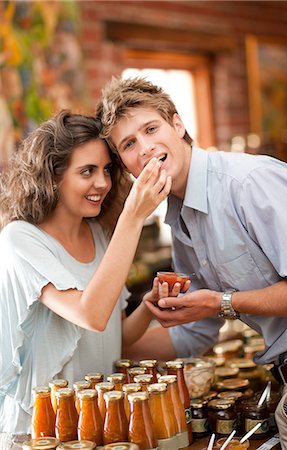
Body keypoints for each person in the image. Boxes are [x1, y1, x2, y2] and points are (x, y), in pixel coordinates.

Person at [96, 76, 287, 449]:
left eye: (151, 128)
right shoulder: (180, 218)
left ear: (178, 124)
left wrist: (223, 302)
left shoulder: (248, 183)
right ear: (125, 164)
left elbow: (220, 305)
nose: (144, 148)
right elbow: (194, 334)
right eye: (129, 144)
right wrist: (104, 353)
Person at [0, 109, 171, 448]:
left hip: (98, 426)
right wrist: (133, 217)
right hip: (42, 433)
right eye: (87, 171)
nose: (103, 183)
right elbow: (90, 314)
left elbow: (114, 335)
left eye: (107, 169)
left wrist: (148, 308)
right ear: (52, 176)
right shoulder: (20, 239)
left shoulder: (99, 235)